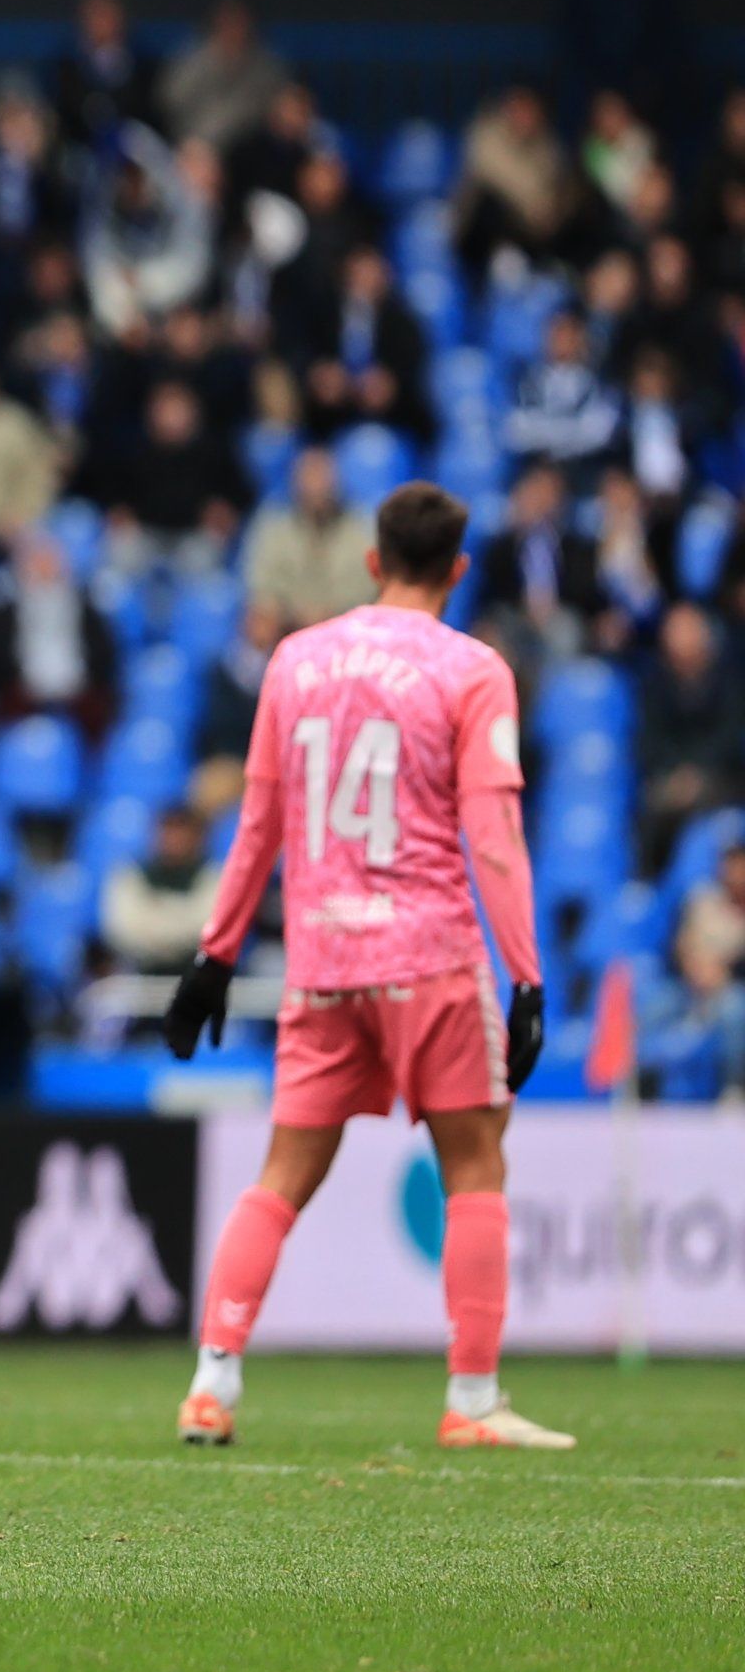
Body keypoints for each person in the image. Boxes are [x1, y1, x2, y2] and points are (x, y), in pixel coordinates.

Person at [161, 481, 565, 1452]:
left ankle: (210, 1382)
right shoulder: (473, 670)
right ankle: (471, 1401)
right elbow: (493, 836)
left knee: (280, 1175)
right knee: (473, 1164)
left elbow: (256, 818)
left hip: (321, 958)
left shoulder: (294, 660)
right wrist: (526, 976)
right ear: (458, 570)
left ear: (372, 560)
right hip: (427, 953)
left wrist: (214, 955)